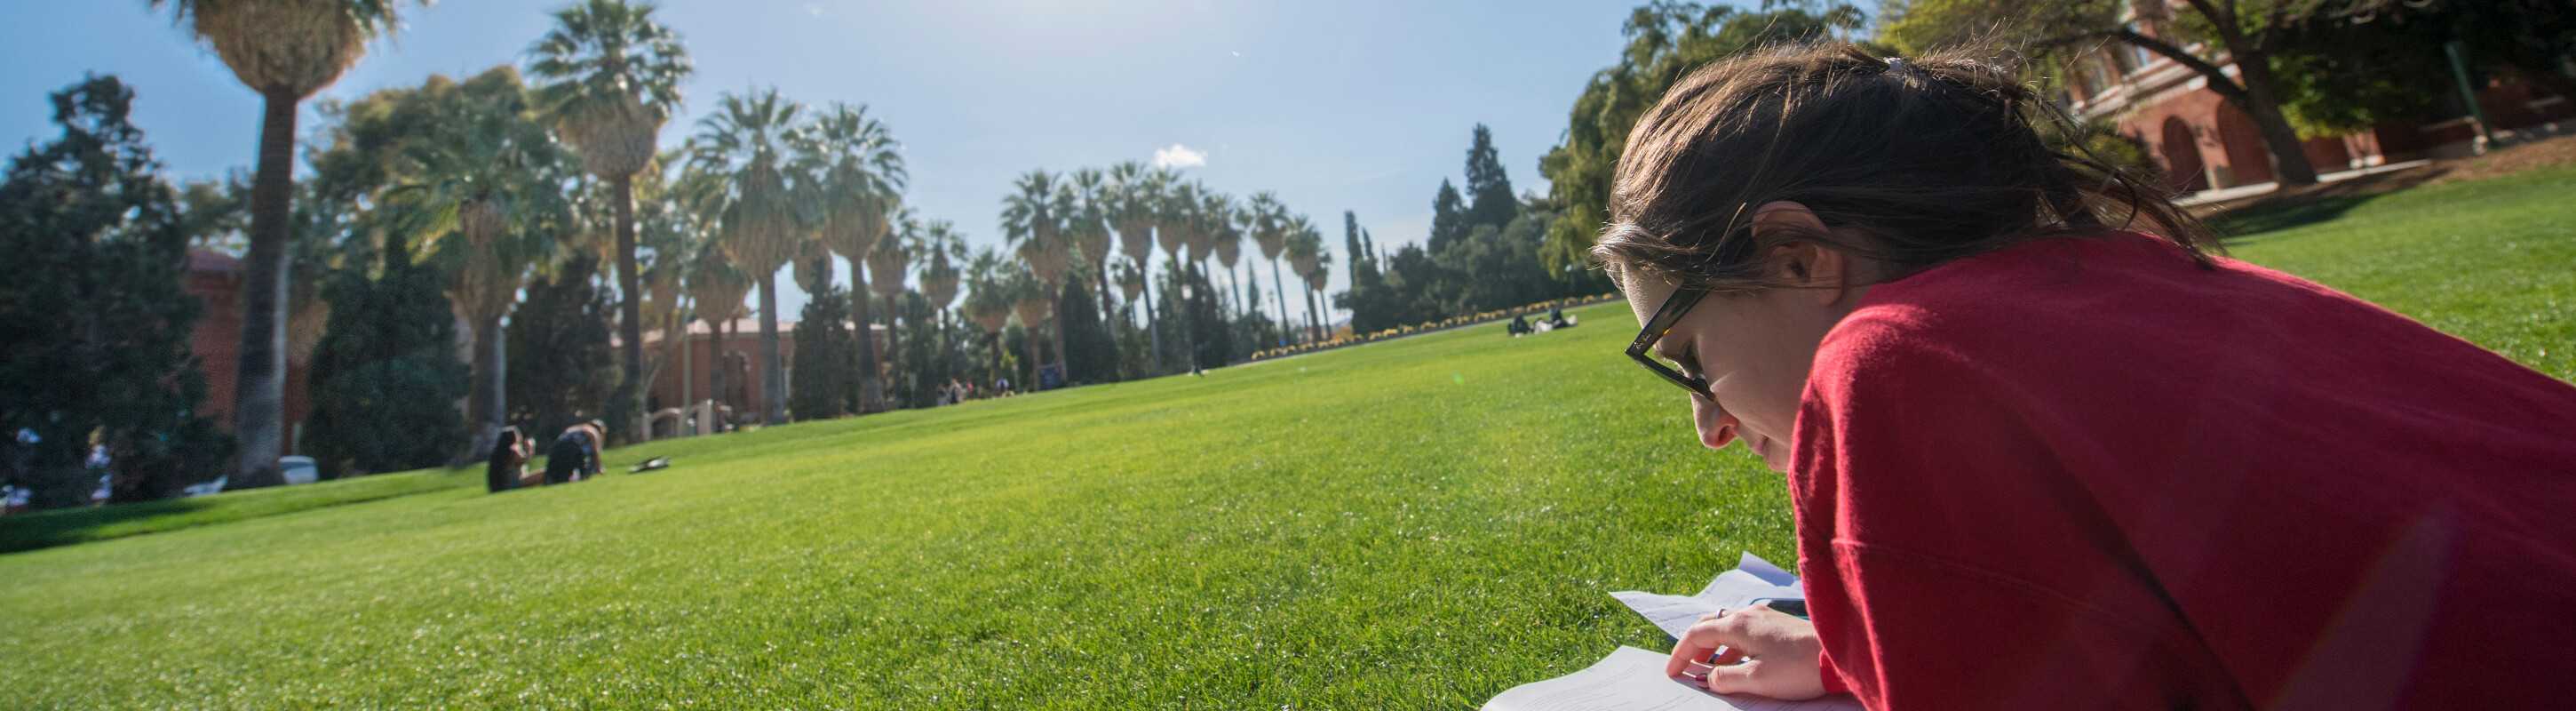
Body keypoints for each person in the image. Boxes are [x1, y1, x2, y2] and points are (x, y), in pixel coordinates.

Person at [1594, 44, 2576, 708]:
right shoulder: (2152, 277)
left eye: (1685, 357)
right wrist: (1849, 654)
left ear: (1794, 259)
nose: (1709, 426)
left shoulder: (1892, 360)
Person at [542, 420, 604, 484]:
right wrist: (599, 467)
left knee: (554, 473)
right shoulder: (593, 431)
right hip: (572, 449)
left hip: (556, 448)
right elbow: (595, 451)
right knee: (579, 471)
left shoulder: (576, 428)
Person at [484, 427, 539, 493]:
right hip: (514, 484)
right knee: (543, 474)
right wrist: (530, 448)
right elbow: (524, 460)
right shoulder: (513, 450)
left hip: (504, 486)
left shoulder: (498, 453)